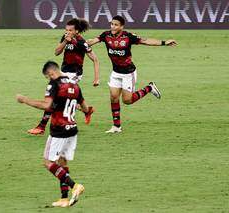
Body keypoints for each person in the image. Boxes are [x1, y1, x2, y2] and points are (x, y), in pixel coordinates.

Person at [16, 61, 90, 207]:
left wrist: (25, 100)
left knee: (48, 162)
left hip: (59, 131)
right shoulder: (75, 84)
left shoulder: (54, 84)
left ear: (51, 73)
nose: (48, 80)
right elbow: (85, 107)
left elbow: (46, 105)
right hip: (72, 129)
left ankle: (74, 185)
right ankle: (64, 198)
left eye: (47, 77)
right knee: (62, 162)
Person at [87, 15, 177, 133]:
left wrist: (164, 42)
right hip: (115, 72)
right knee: (114, 97)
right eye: (112, 24)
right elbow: (92, 41)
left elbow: (146, 41)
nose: (113, 26)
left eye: (116, 25)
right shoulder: (106, 35)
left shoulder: (128, 36)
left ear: (122, 26)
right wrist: (82, 42)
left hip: (128, 73)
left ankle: (149, 88)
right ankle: (116, 127)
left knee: (127, 101)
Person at [28, 18, 99, 135]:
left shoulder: (82, 42)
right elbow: (56, 52)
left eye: (70, 30)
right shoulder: (65, 38)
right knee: (62, 98)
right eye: (66, 30)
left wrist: (96, 78)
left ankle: (41, 126)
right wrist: (65, 41)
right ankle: (87, 110)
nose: (67, 32)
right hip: (63, 72)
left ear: (76, 31)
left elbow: (95, 59)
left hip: (75, 74)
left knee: (55, 98)